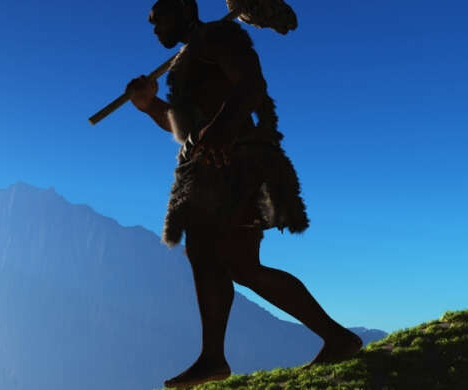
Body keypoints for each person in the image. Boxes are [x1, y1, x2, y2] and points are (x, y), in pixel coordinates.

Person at [124, 0, 363, 387]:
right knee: (239, 265)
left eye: (158, 18)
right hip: (217, 168)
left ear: (184, 9)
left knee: (210, 252)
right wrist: (149, 105)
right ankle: (336, 338)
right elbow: (188, 127)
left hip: (236, 165)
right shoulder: (189, 58)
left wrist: (224, 126)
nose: (153, 28)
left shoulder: (218, 36)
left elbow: (251, 86)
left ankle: (214, 359)